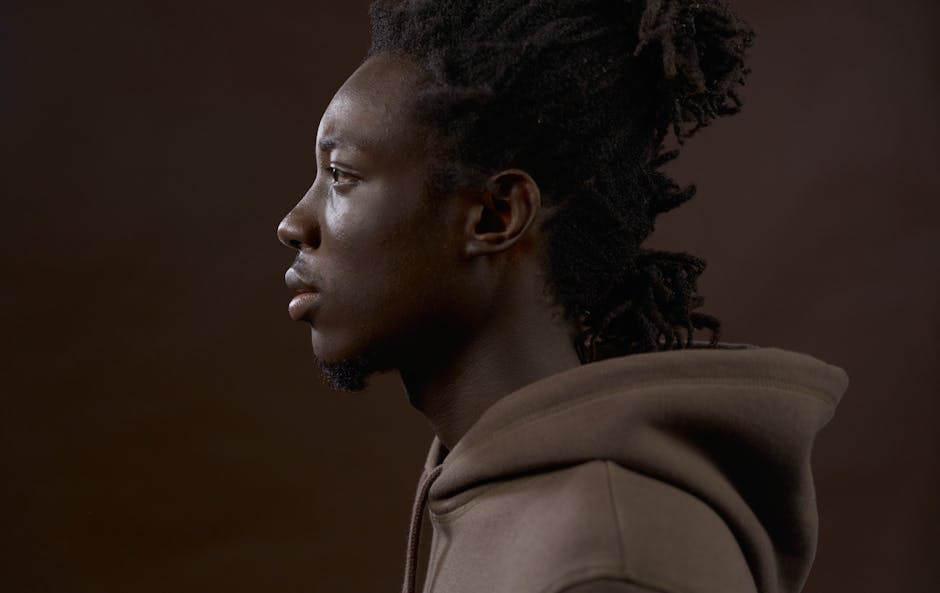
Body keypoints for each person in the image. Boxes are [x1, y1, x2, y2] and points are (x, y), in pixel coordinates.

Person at [276, 1, 849, 592]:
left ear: (495, 216)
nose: (293, 223)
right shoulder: (489, 490)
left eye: (341, 175)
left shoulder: (608, 560)